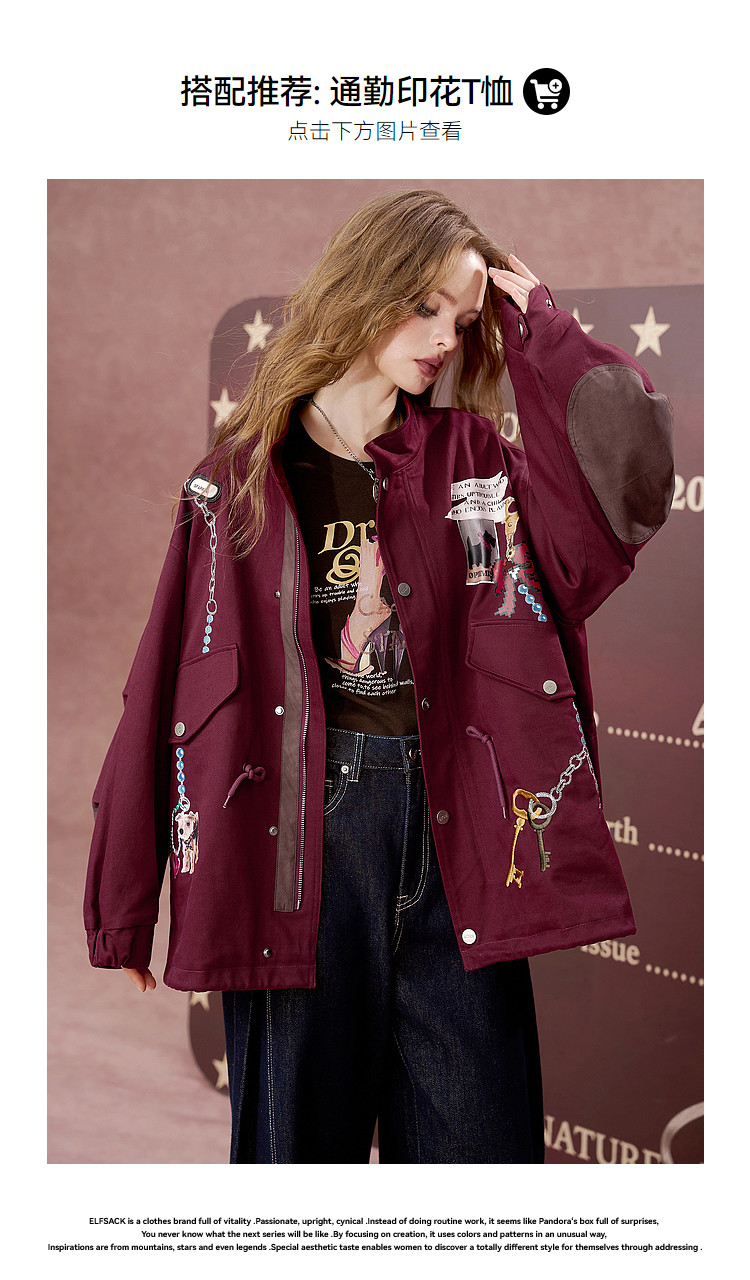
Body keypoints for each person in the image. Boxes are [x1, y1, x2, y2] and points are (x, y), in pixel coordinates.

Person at [84, 188, 675, 1165]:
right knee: (296, 1165)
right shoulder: (238, 480)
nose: (445, 337)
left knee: (482, 1170)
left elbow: (622, 505)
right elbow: (161, 690)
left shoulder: (478, 462)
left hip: (462, 833)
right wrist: (123, 901)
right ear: (364, 288)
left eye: (464, 319)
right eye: (425, 306)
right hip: (299, 843)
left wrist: (546, 331)